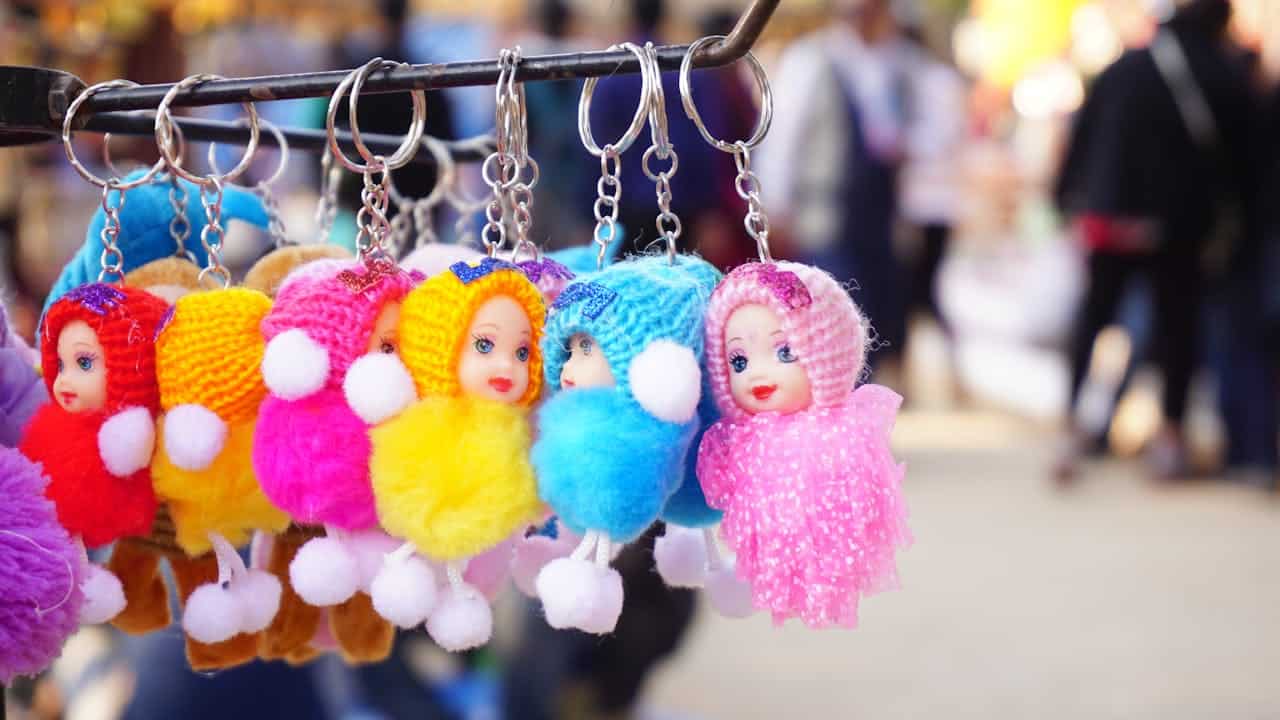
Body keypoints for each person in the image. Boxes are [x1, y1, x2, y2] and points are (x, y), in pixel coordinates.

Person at [1053, 0, 1254, 481]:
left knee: (1096, 320)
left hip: (1110, 220)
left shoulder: (1124, 68)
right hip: (1178, 226)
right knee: (1176, 328)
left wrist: (1066, 198)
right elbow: (1242, 159)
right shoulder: (1222, 72)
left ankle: (1072, 424)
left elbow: (1082, 138)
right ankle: (1170, 434)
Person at [757, 0, 912, 372]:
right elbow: (782, 138)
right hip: (826, 210)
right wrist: (774, 204)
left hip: (875, 210)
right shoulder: (811, 59)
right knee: (836, 308)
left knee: (875, 313)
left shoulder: (892, 62)